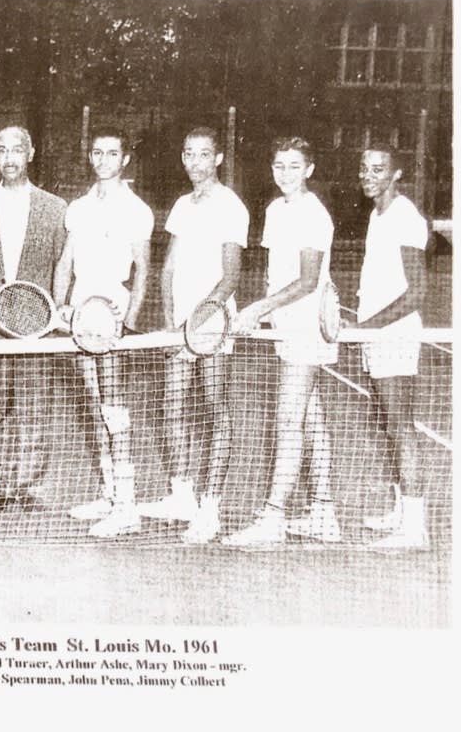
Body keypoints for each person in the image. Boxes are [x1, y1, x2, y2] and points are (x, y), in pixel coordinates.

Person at [222, 137, 340, 546]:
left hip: (308, 325)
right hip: (287, 325)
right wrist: (264, 315)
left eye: (294, 166)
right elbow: (279, 272)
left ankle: (273, 516)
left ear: (310, 169)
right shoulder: (275, 210)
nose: (285, 173)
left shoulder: (315, 215)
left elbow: (308, 280)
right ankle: (325, 512)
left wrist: (258, 308)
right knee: (310, 418)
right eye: (279, 165)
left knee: (289, 420)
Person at [139, 127, 248, 543]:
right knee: (172, 406)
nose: (195, 162)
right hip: (180, 325)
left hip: (212, 325)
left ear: (217, 159)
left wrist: (199, 321)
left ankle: (211, 508)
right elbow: (169, 267)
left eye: (204, 154)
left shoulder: (231, 207)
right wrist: (172, 319)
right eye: (189, 154)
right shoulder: (183, 205)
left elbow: (231, 276)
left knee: (215, 410)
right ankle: (182, 495)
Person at [52, 126, 152, 537]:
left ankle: (127, 506)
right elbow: (65, 260)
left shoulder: (136, 209)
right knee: (94, 405)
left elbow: (143, 269)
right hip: (79, 315)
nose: (104, 160)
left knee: (113, 409)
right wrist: (62, 306)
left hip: (111, 313)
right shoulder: (78, 207)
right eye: (97, 152)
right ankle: (111, 493)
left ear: (125, 159)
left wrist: (127, 321)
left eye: (112, 153)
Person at [0, 126, 66, 512]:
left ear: (31, 153)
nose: (10, 158)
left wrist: (49, 315)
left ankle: (27, 484)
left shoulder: (56, 209)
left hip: (35, 322)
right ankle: (1, 487)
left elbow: (60, 268)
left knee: (34, 404)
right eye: (2, 150)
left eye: (17, 149)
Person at [348, 143, 429, 548]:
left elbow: (417, 293)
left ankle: (415, 529)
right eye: (364, 168)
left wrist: (369, 327)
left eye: (378, 169)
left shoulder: (405, 217)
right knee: (388, 424)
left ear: (396, 174)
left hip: (395, 334)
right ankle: (400, 512)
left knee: (401, 426)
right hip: (377, 332)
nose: (368, 175)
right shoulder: (378, 215)